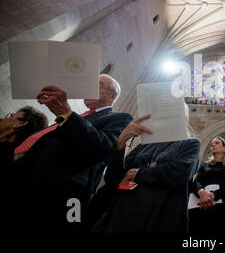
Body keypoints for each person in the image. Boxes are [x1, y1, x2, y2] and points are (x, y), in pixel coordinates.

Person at [8, 74, 133, 232]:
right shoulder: (79, 116)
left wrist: (66, 114)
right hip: (22, 173)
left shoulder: (121, 118)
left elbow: (102, 148)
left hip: (54, 191)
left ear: (112, 95)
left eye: (98, 84)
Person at [92, 107, 200, 233]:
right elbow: (114, 179)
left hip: (159, 214)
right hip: (124, 212)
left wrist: (137, 173)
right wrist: (120, 144)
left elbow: (180, 172)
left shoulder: (191, 143)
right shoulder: (144, 145)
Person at [189, 136, 225, 235]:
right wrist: (201, 191)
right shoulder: (204, 166)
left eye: (217, 143)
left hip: (223, 212)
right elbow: (196, 182)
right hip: (203, 208)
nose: (213, 145)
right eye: (212, 143)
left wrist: (213, 195)